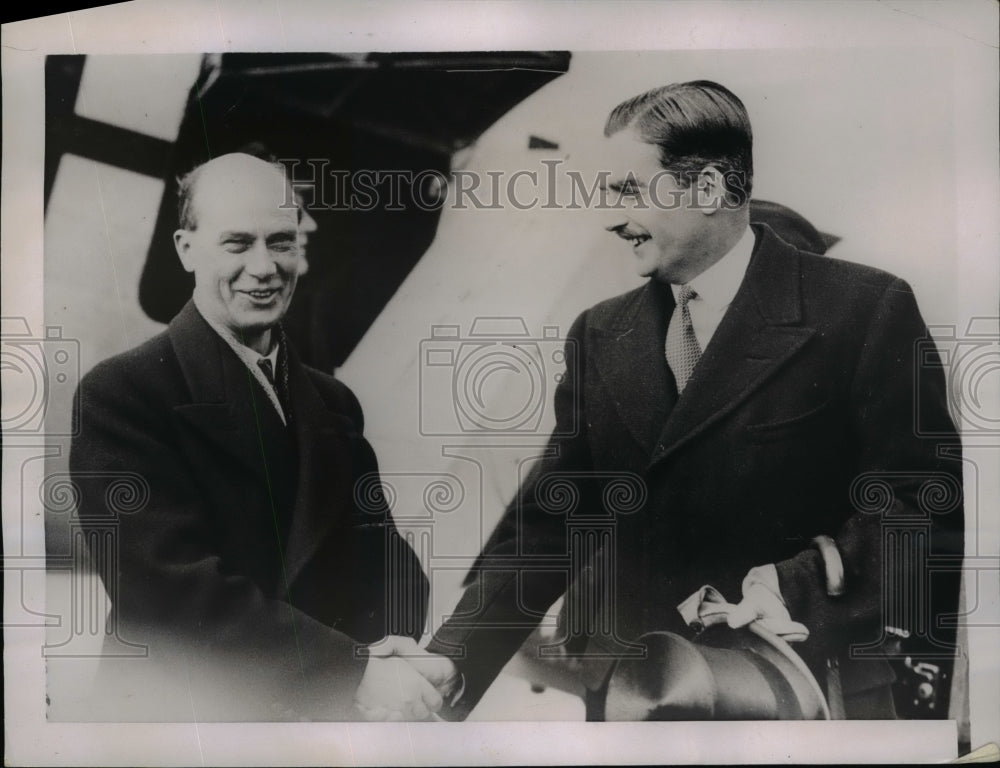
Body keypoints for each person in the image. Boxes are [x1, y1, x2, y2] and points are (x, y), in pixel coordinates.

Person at [397, 80, 965, 720]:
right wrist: (453, 652)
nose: (612, 217)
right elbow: (553, 522)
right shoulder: (600, 333)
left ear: (711, 189)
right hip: (645, 698)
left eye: (630, 192)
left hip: (803, 696)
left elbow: (923, 507)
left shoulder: (862, 308)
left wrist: (795, 587)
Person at [70, 152, 436, 721]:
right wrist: (355, 669)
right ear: (186, 248)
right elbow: (165, 593)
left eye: (281, 241)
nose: (265, 267)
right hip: (182, 724)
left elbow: (388, 562)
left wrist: (392, 652)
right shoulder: (124, 392)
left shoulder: (332, 402)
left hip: (320, 718)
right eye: (237, 244)